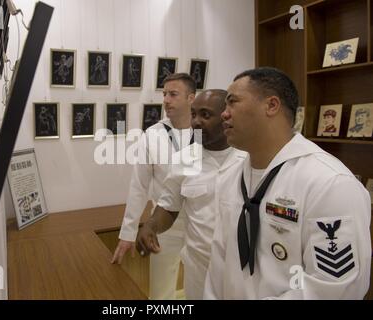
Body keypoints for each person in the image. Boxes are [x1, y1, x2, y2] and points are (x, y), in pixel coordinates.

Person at [203, 67, 371, 299]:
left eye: (232, 102)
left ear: (271, 105)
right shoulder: (231, 176)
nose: (224, 114)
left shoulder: (329, 183)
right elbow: (220, 262)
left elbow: (335, 288)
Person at [135, 89, 246, 299]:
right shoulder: (184, 159)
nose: (196, 122)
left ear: (227, 115)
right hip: (198, 269)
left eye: (205, 115)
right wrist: (150, 226)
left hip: (242, 270)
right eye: (193, 114)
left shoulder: (251, 157)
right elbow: (169, 206)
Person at [111, 73, 196, 300]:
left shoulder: (207, 133)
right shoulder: (152, 134)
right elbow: (139, 185)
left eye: (173, 94)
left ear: (191, 98)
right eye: (164, 94)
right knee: (160, 293)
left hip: (200, 223)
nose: (166, 100)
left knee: (201, 289)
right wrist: (127, 233)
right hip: (163, 224)